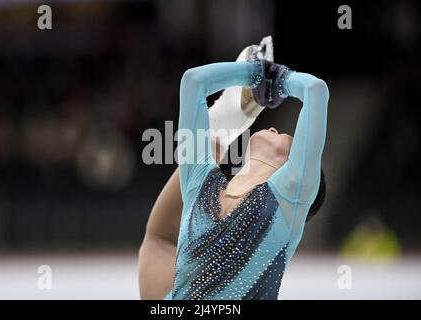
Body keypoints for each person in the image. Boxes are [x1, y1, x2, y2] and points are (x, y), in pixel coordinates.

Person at [138, 37, 329, 300]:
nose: (274, 128)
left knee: (159, 237)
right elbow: (192, 81)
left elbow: (316, 90)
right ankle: (228, 118)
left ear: (292, 166)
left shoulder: (290, 196)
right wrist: (254, 72)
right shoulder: (203, 185)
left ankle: (228, 119)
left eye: (288, 137)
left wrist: (280, 79)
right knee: (160, 236)